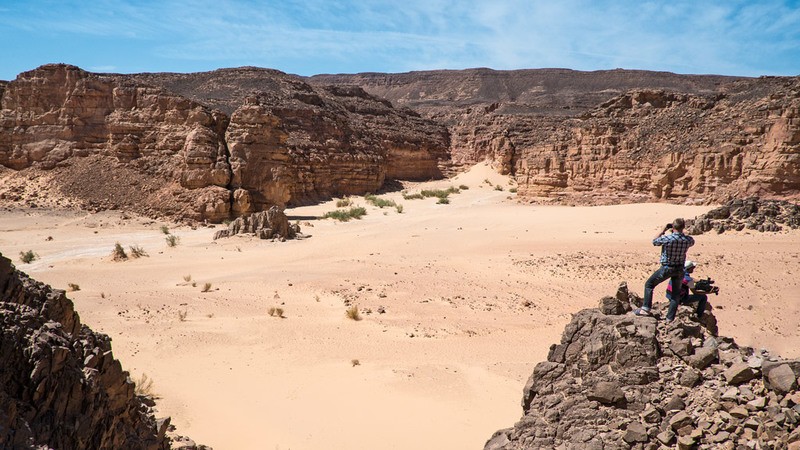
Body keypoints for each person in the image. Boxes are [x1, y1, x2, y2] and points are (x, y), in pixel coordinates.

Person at [634, 218, 695, 317]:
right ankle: (669, 318)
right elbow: (692, 240)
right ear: (683, 227)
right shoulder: (687, 240)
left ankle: (645, 309)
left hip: (667, 267)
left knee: (649, 284)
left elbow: (655, 241)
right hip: (679, 269)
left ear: (673, 227)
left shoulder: (668, 238)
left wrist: (663, 230)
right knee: (676, 295)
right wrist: (684, 232)